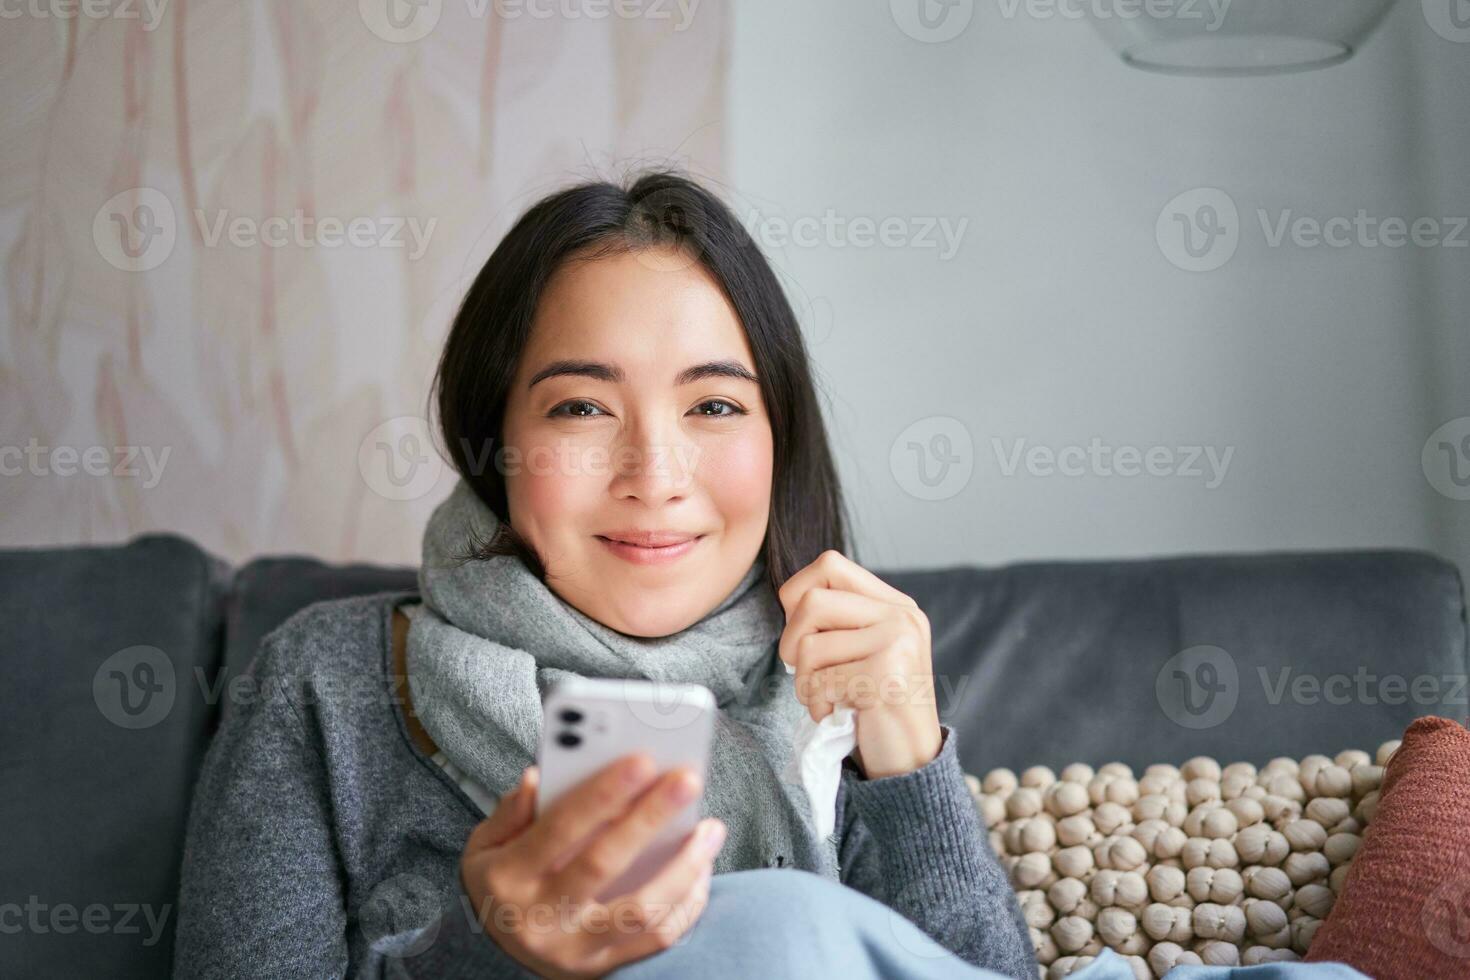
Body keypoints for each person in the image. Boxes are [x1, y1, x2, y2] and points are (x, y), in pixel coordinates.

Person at [171, 170, 1038, 979]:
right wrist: (496, 950)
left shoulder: (838, 681)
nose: (654, 474)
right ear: (496, 441)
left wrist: (907, 760)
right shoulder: (326, 681)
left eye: (714, 406)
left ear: (781, 440)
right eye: (582, 406)